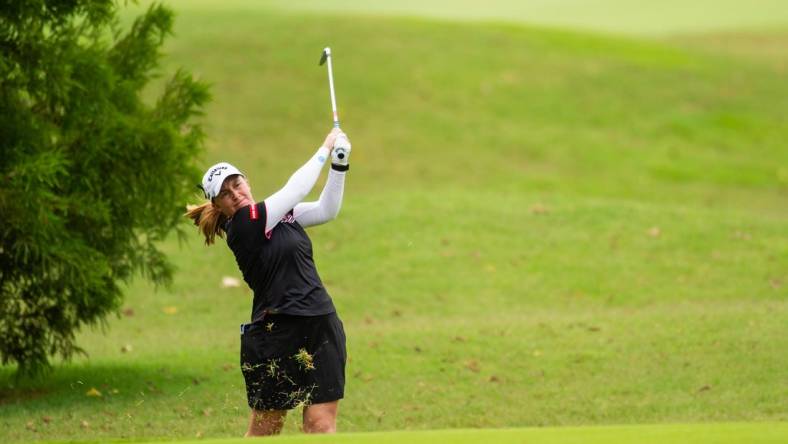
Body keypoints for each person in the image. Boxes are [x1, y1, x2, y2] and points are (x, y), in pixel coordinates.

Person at [185, 128, 351, 436]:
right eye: (225, 194)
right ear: (219, 206)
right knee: (266, 428)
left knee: (321, 425)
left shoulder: (280, 216)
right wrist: (325, 148)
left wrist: (339, 164)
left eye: (237, 184)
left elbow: (326, 210)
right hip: (277, 330)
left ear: (247, 180)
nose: (235, 194)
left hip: (321, 323)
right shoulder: (243, 225)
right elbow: (294, 190)